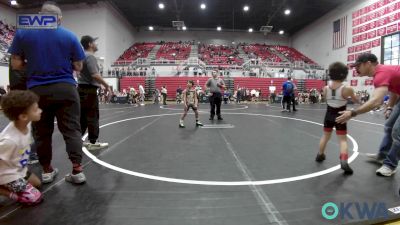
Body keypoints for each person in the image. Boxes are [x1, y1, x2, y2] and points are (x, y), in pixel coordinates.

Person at [8, 1, 87, 184]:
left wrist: (35, 66)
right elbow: (78, 65)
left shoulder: (23, 34)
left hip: (37, 91)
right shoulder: (70, 36)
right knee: (72, 129)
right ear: (59, 19)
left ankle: (46, 171)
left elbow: (16, 65)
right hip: (66, 89)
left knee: (41, 132)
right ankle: (77, 171)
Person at [336, 53, 400, 177]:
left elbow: (376, 102)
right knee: (389, 126)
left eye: (358, 66)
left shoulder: (381, 74)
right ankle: (383, 156)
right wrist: (390, 107)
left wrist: (353, 112)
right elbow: (394, 91)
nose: (356, 69)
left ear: (368, 63)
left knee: (398, 133)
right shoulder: (383, 73)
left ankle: (390, 165)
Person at [315, 62, 359, 174]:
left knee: (325, 136)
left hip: (329, 114)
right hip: (341, 115)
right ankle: (343, 160)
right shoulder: (347, 89)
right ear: (344, 75)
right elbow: (355, 101)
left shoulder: (325, 88)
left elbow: (325, 99)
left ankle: (320, 154)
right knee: (343, 140)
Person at [0, 91, 42, 204]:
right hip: (6, 174)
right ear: (23, 116)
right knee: (34, 198)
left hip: (18, 168)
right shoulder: (9, 141)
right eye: (36, 109)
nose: (40, 111)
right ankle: (5, 190)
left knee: (37, 184)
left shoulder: (26, 123)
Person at [79, 35, 110, 151]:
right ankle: (93, 141)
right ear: (90, 44)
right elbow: (94, 75)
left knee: (83, 117)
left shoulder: (82, 55)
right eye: (95, 42)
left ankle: (78, 139)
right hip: (89, 90)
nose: (97, 44)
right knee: (93, 116)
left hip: (82, 89)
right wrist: (107, 85)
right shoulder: (90, 57)